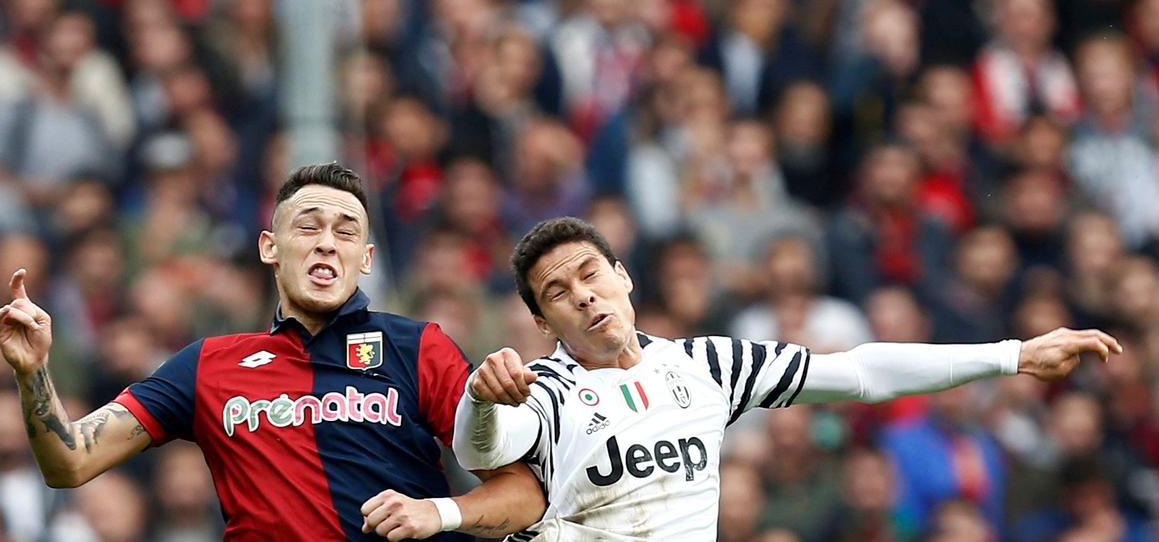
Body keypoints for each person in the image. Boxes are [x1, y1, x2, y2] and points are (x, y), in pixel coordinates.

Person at [407, 216, 1118, 540]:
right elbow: (483, 452)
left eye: (591, 274)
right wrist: (479, 396)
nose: (583, 295)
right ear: (541, 322)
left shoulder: (705, 365)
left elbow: (859, 372)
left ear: (622, 277)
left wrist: (1013, 355)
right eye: (558, 292)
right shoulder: (546, 392)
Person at [0, 162, 544, 541]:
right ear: (269, 248)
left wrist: (437, 513)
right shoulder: (207, 364)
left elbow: (524, 495)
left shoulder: (419, 347)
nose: (328, 241)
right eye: (308, 226)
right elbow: (69, 463)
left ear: (367, 258)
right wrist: (33, 371)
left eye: (347, 231)